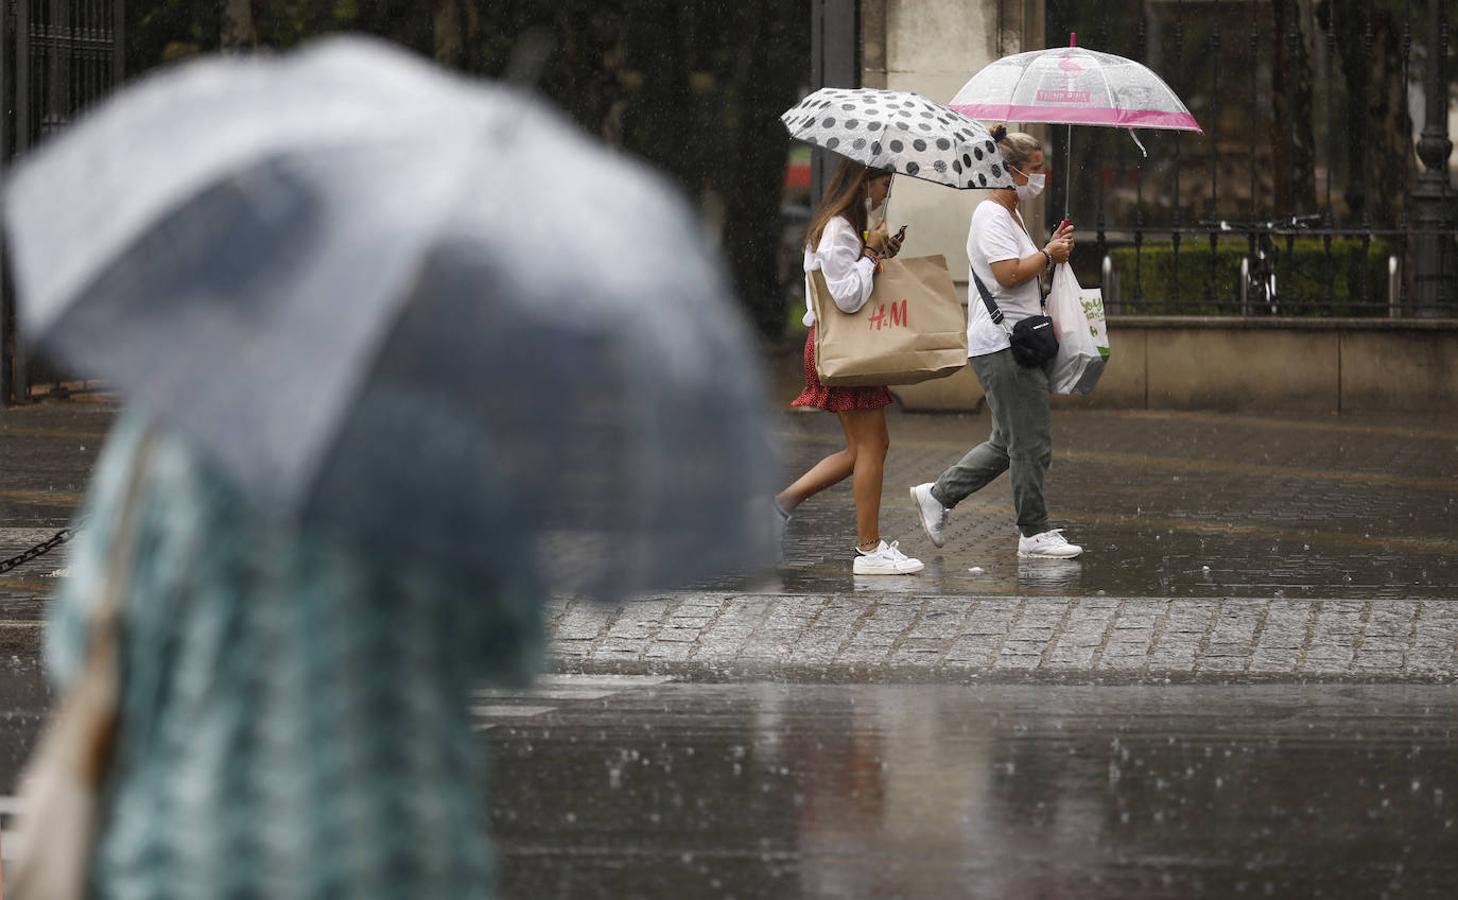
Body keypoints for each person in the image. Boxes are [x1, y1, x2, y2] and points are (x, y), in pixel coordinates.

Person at [43, 412, 543, 898]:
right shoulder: (443, 444)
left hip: (199, 855)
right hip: (396, 858)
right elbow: (514, 644)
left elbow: (82, 645)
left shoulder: (169, 438)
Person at [908, 127, 1083, 560]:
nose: (1040, 179)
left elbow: (1019, 274)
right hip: (1004, 346)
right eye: (1034, 170)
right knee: (1031, 443)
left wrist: (1048, 250)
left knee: (1007, 444)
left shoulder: (1011, 215)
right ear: (1008, 171)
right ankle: (1033, 531)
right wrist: (1048, 254)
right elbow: (1007, 274)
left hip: (1012, 343)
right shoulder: (990, 217)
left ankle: (938, 494)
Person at [774, 159, 923, 576]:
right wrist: (871, 251)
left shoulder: (843, 227)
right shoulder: (839, 228)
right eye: (883, 183)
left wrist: (877, 253)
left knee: (859, 450)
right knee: (874, 447)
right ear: (863, 183)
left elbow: (852, 280)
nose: (885, 192)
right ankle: (869, 548)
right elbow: (847, 297)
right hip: (844, 348)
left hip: (844, 347)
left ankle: (779, 507)